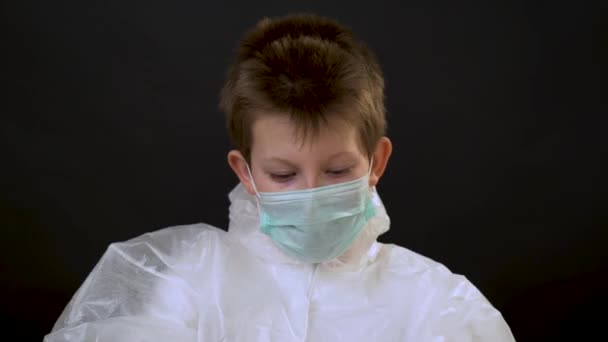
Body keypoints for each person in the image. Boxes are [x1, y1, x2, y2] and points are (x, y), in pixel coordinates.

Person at [45, 13, 515, 341]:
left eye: (336, 170)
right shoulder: (190, 285)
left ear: (376, 162)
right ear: (245, 172)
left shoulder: (436, 305)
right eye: (283, 174)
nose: (310, 195)